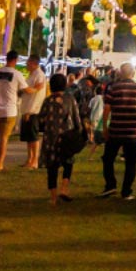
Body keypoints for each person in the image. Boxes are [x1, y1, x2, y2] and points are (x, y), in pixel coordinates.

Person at [99, 63, 136, 200]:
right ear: (133, 73)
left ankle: (110, 185)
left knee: (108, 159)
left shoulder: (113, 88)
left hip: (116, 129)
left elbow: (107, 109)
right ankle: (126, 191)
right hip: (132, 130)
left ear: (120, 73)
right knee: (130, 162)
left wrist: (104, 127)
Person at [38, 73, 84, 205]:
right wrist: (79, 132)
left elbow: (41, 119)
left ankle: (53, 198)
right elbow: (77, 120)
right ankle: (64, 188)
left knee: (52, 167)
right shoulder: (70, 99)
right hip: (67, 136)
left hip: (51, 138)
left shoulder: (48, 101)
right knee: (68, 163)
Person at [20, 54, 49, 170]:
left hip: (33, 111)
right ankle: (29, 159)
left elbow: (36, 94)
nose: (26, 65)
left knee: (33, 136)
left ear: (33, 63)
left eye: (28, 63)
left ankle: (35, 160)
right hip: (27, 108)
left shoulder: (39, 75)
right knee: (28, 137)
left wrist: (29, 111)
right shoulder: (31, 75)